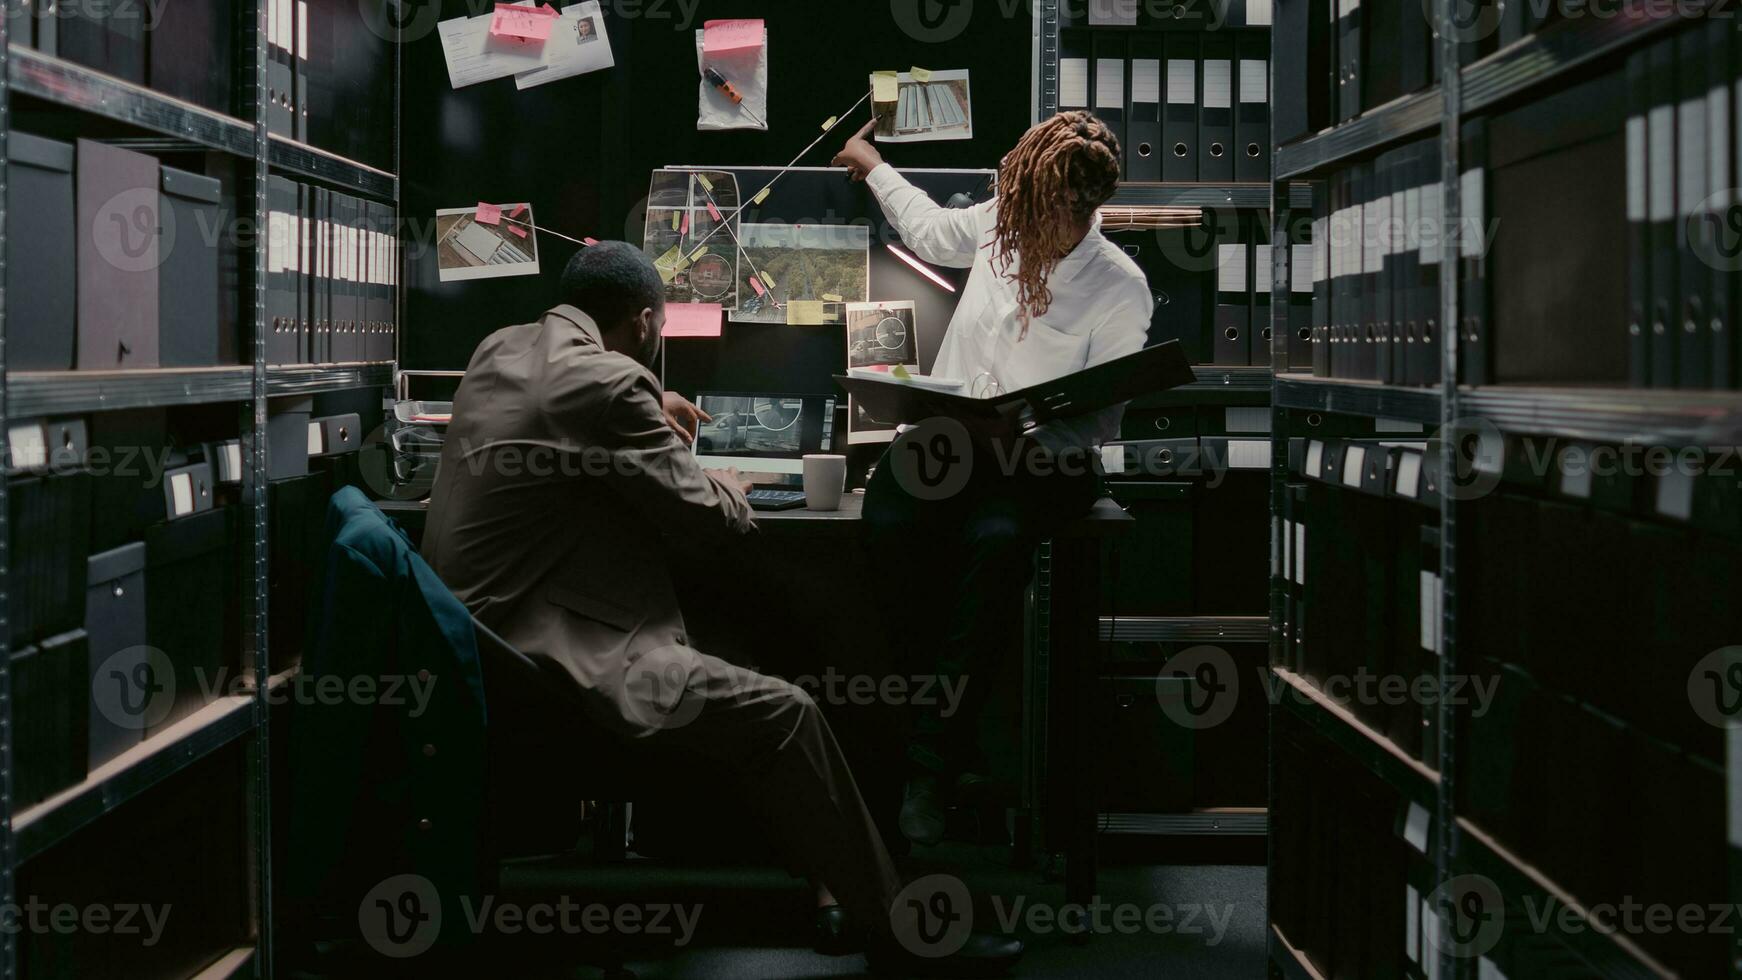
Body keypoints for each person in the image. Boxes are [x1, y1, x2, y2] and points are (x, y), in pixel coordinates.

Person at [420, 241, 1022, 974]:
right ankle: (899, 929)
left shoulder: (499, 349)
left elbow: (576, 415)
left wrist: (645, 401)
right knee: (792, 705)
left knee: (756, 631)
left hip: (475, 643)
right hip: (543, 669)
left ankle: (836, 878)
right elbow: (714, 520)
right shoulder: (608, 387)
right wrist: (728, 477)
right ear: (645, 322)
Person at [832, 111, 1153, 845]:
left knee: (997, 546)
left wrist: (1027, 429)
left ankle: (930, 767)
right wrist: (872, 165)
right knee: (887, 520)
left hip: (1043, 462)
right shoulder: (1003, 220)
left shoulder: (1118, 287)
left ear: (1076, 210)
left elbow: (1100, 422)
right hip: (956, 442)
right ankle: (946, 741)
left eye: (1039, 214)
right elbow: (934, 233)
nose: (1020, 227)